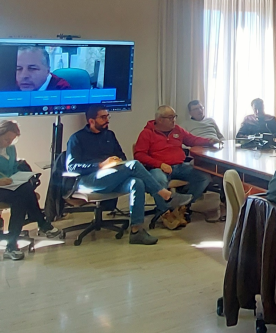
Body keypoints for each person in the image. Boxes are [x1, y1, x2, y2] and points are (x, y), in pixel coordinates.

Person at [67, 105, 192, 245]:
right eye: (103, 117)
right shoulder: (77, 138)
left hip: (111, 176)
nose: (107, 120)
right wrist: (101, 165)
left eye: (108, 116)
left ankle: (136, 231)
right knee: (134, 164)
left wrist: (117, 162)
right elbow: (72, 167)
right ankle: (166, 195)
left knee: (136, 182)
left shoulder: (109, 135)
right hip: (88, 180)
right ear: (91, 121)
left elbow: (122, 156)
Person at [134, 105, 215, 229]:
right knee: (158, 181)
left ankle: (184, 207)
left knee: (204, 177)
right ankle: (166, 212)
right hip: (158, 168)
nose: (174, 120)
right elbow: (139, 155)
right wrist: (159, 164)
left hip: (180, 166)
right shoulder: (147, 133)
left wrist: (208, 141)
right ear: (160, 120)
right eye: (170, 118)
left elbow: (192, 140)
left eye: (174, 117)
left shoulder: (177, 130)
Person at [0, 120, 60, 260]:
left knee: (23, 193)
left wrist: (20, 176)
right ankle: (41, 222)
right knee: (23, 195)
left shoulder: (10, 148)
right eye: (6, 139)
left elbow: (12, 168)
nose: (8, 143)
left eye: (12, 140)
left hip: (10, 186)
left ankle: (12, 246)